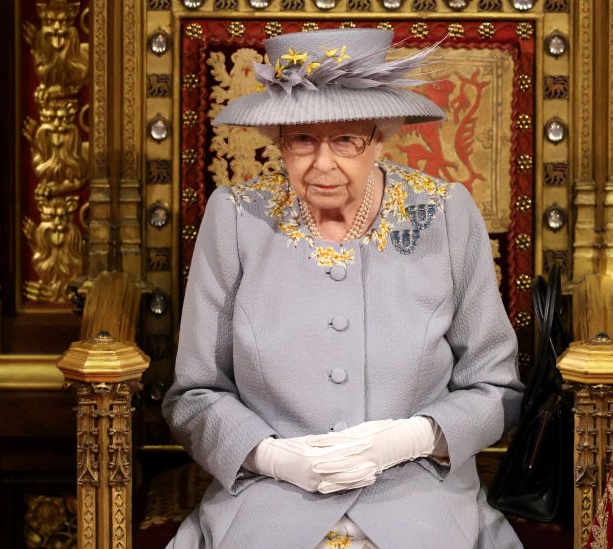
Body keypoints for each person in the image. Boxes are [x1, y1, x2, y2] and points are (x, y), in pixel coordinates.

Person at [164, 27, 524, 549]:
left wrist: (410, 440)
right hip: (267, 499)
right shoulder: (236, 217)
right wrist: (271, 456)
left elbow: (496, 390)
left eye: (346, 139)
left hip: (418, 497)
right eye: (303, 140)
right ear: (278, 141)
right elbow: (193, 395)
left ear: (380, 136)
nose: (323, 163)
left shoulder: (443, 212)